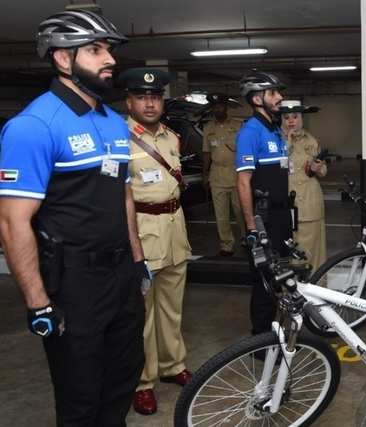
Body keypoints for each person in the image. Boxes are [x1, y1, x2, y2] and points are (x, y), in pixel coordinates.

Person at [0, 10, 150, 426]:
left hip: (121, 275)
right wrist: (37, 304)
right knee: (80, 398)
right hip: (73, 285)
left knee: (122, 379)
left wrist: (137, 261)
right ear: (63, 59)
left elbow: (122, 192)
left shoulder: (113, 121)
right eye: (95, 50)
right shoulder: (32, 126)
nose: (110, 60)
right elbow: (13, 223)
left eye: (109, 51)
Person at [118, 67, 193, 415]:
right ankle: (143, 382)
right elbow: (118, 195)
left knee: (172, 309)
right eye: (142, 97)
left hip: (175, 231)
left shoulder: (171, 137)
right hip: (143, 235)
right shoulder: (119, 137)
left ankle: (173, 365)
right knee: (141, 317)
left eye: (155, 97)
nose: (149, 104)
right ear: (129, 100)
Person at [235, 71, 292, 336]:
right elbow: (243, 182)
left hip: (281, 219)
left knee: (280, 275)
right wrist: (251, 228)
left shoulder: (275, 129)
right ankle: (261, 339)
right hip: (263, 220)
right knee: (264, 281)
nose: (280, 97)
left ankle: (275, 329)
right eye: (273, 93)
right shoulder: (251, 132)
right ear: (257, 99)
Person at [279, 100, 327, 273]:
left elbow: (324, 170)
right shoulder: (276, 140)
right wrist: (287, 144)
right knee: (291, 251)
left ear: (301, 118)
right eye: (286, 117)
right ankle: (292, 291)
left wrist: (318, 167)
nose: (291, 121)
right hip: (288, 202)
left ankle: (317, 288)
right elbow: (276, 167)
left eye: (295, 116)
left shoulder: (312, 140)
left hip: (310, 202)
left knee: (314, 251)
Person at [202, 92, 246, 257]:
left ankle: (245, 238)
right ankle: (226, 245)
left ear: (226, 107)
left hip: (236, 174)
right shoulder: (208, 128)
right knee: (221, 215)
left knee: (241, 210)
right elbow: (206, 153)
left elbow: (245, 151)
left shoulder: (239, 126)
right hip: (217, 175)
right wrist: (204, 175)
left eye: (220, 105)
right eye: (214, 106)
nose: (217, 109)